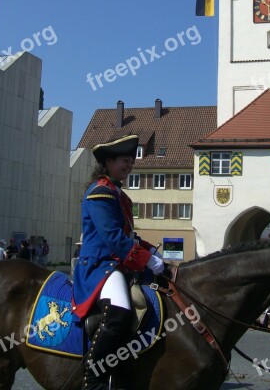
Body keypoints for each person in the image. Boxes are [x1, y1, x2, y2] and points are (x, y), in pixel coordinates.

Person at [72, 135, 165, 390]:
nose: (130, 165)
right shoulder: (101, 192)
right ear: (109, 161)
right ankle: (94, 376)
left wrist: (152, 253)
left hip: (116, 264)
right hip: (101, 265)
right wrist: (145, 260)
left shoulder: (118, 194)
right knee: (120, 311)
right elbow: (113, 239)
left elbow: (128, 237)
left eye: (131, 161)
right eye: (125, 160)